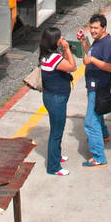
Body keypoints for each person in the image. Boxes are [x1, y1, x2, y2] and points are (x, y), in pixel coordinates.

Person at [39, 25, 76, 176]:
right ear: (54, 41)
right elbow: (72, 66)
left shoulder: (45, 56)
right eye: (59, 38)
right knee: (56, 132)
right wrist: (67, 49)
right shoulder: (55, 58)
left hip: (50, 97)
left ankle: (57, 156)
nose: (62, 39)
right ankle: (54, 167)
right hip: (57, 100)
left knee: (56, 129)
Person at [79, 13, 111, 168]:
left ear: (104, 28)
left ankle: (99, 157)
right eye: (91, 27)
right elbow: (90, 53)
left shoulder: (108, 44)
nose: (92, 31)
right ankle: (104, 135)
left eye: (95, 28)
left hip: (99, 87)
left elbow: (109, 67)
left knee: (90, 122)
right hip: (92, 84)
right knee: (98, 114)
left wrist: (92, 60)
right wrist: (83, 42)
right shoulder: (97, 40)